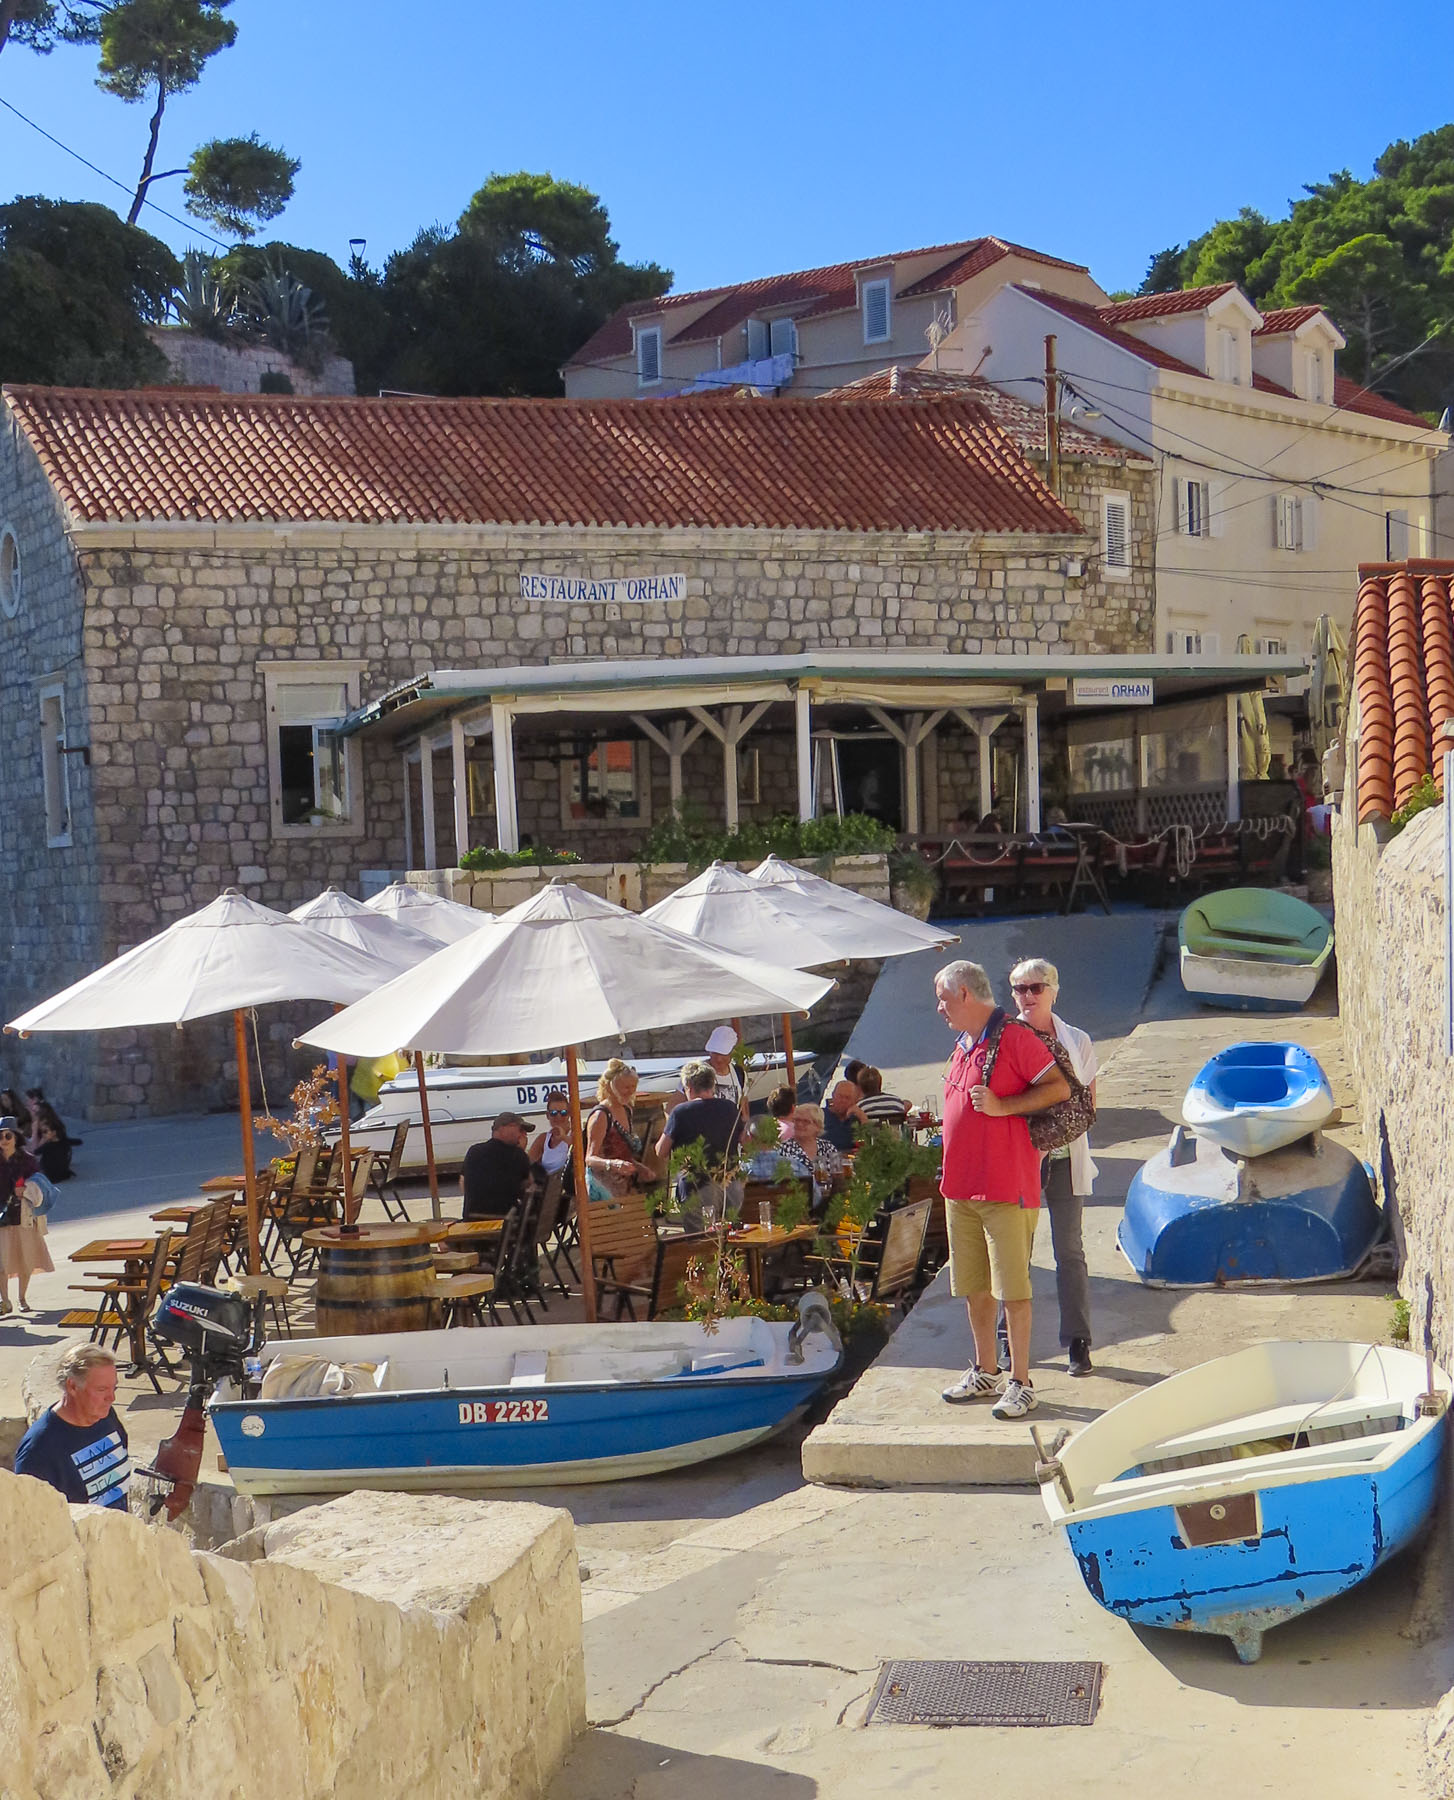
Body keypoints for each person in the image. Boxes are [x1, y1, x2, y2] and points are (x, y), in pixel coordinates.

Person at [933, 960, 1070, 1420]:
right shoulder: (964, 1043)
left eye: (944, 999)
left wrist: (1003, 1106)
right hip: (961, 1188)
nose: (940, 1009)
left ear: (965, 994)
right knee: (974, 1285)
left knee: (1013, 1288)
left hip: (1005, 1186)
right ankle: (986, 1370)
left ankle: (1022, 1381)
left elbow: (1058, 1088)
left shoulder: (1013, 1036)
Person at [1008, 959, 1098, 1378]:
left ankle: (1078, 1342)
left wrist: (1052, 1137)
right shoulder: (1005, 1041)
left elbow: (1089, 1106)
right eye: (1019, 988)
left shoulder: (1077, 1040)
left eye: (1036, 987)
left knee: (1070, 1251)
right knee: (1014, 1253)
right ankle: (1008, 1342)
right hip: (1020, 1160)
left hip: (1065, 1159)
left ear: (1053, 992)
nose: (1027, 995)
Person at [14, 1342, 130, 1510]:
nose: (111, 1398)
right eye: (102, 1389)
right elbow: (32, 1516)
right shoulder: (38, 1450)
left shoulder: (105, 1416)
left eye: (114, 1388)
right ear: (73, 1386)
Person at [657, 1062, 745, 1226]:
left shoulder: (681, 1112)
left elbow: (661, 1151)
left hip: (696, 1186)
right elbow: (744, 1139)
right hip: (729, 1181)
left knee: (700, 1238)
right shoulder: (730, 1107)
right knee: (732, 1235)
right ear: (712, 1084)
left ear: (689, 1087)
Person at [0, 1115, 53, 1314]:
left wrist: (27, 1189)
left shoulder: (27, 1160)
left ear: (16, 1137)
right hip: (2, 1218)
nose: (4, 1140)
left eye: (8, 1136)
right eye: (0, 1137)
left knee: (25, 1260)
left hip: (24, 1217)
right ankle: (5, 1301)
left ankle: (22, 1298)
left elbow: (40, 1183)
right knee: (2, 1264)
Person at [584, 1060, 654, 1200]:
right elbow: (590, 1159)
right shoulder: (601, 1116)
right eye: (626, 1087)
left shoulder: (627, 1110)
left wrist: (639, 1167)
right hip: (602, 1189)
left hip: (623, 1187)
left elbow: (621, 1151)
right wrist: (612, 1164)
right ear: (610, 1087)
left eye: (633, 1086)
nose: (631, 1091)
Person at [460, 1112, 535, 1221]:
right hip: (504, 1221)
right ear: (503, 1128)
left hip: (472, 1218)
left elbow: (462, 1181)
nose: (523, 1135)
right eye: (520, 1130)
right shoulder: (518, 1155)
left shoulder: (474, 1151)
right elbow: (529, 1186)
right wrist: (522, 1151)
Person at [777, 1103, 844, 1208]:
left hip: (829, 1203)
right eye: (796, 1120)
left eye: (805, 1121)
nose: (799, 1124)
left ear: (818, 1126)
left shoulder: (828, 1147)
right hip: (798, 1204)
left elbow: (840, 1178)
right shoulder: (784, 1149)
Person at [528, 1091, 575, 1182]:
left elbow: (579, 1150)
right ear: (547, 1115)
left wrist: (564, 1137)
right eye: (553, 1113)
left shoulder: (575, 1135)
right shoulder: (543, 1138)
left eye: (563, 1113)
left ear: (569, 1114)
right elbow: (527, 1162)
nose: (558, 1116)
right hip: (548, 1186)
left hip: (567, 1185)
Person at [823, 1078, 865, 1152]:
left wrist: (863, 1117)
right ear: (833, 1096)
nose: (843, 1100)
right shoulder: (820, 1115)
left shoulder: (857, 1118)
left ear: (855, 1100)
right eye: (840, 1096)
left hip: (851, 1157)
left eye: (847, 1098)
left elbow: (870, 1143)